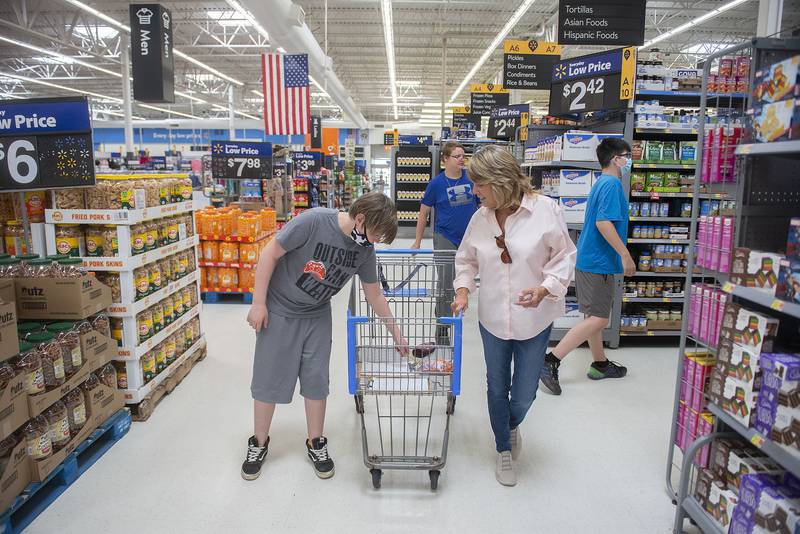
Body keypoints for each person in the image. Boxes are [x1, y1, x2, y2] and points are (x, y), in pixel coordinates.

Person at [242, 192, 409, 481]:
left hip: (317, 314)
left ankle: (315, 442)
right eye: (376, 234)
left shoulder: (364, 251)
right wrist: (259, 303)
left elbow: (375, 295)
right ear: (360, 219)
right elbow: (270, 253)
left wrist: (397, 334)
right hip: (280, 308)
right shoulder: (313, 221)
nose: (375, 242)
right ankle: (258, 442)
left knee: (316, 379)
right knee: (269, 376)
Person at [451, 145, 576, 486]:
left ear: (501, 181)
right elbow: (466, 260)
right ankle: (503, 448)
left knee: (524, 393)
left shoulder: (546, 210)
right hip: (492, 316)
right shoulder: (480, 218)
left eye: (479, 184)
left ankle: (509, 422)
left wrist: (545, 288)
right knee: (496, 387)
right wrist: (463, 290)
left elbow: (564, 255)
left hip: (534, 319)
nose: (474, 190)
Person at [539, 137, 636, 396]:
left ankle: (600, 364)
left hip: (588, 259)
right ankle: (551, 360)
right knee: (599, 318)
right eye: (627, 155)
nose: (630, 160)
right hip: (600, 261)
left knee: (593, 317)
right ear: (617, 159)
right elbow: (604, 224)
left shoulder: (600, 182)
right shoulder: (613, 185)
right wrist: (625, 255)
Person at [412, 141, 479, 322]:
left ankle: (457, 312)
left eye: (463, 156)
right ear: (445, 159)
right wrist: (417, 241)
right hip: (445, 237)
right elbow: (423, 213)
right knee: (445, 282)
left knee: (465, 278)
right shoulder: (436, 184)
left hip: (470, 237)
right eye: (457, 156)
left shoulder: (472, 179)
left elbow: (482, 206)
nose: (461, 160)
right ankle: (442, 328)